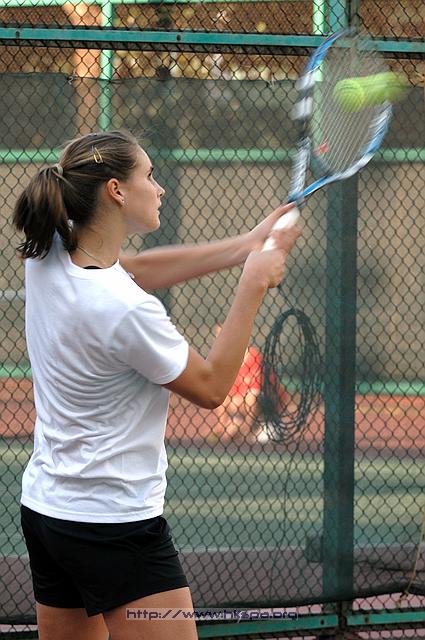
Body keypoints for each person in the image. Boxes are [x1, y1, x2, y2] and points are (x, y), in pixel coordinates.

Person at [13, 129, 301, 640]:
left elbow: (137, 269)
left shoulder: (48, 252)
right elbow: (212, 388)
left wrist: (244, 247)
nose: (160, 187)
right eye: (149, 176)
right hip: (115, 526)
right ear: (116, 191)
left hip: (47, 513)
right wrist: (253, 283)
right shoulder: (127, 311)